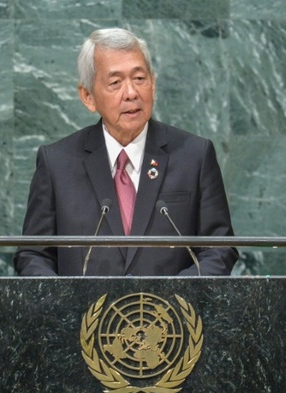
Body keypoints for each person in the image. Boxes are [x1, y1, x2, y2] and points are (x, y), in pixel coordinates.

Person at [14, 27, 238, 276]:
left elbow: (219, 248)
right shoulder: (56, 163)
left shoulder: (195, 156)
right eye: (115, 82)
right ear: (88, 97)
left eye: (139, 79)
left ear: (153, 84)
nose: (131, 93)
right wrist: (67, 304)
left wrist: (172, 297)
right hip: (83, 314)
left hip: (168, 313)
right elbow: (33, 255)